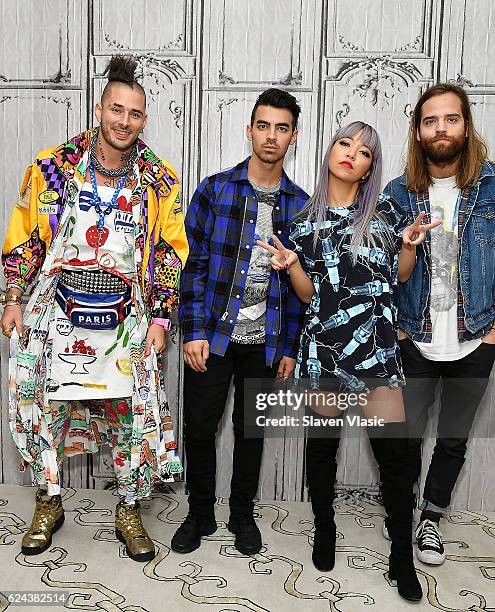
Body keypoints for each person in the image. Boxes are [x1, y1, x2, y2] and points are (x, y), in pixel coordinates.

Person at [0, 56, 188, 562]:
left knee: (133, 414)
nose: (123, 121)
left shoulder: (161, 181)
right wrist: (14, 297)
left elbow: (170, 250)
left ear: (144, 119)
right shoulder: (51, 166)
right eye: (115, 109)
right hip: (56, 310)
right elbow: (26, 237)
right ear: (99, 107)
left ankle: (128, 507)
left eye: (134, 113)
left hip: (126, 313)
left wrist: (161, 316)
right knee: (42, 407)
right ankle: (49, 500)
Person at [258, 121, 441, 602]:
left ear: (368, 169)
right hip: (324, 352)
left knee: (395, 460)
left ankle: (402, 555)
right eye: (345, 143)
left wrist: (408, 247)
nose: (351, 154)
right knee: (322, 449)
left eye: (363, 152)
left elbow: (398, 278)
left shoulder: (383, 218)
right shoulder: (299, 223)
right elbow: (308, 294)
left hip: (378, 354)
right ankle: (324, 528)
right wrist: (293, 264)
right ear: (330, 152)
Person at [172, 88, 308, 556]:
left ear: (293, 136)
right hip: (214, 335)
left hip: (266, 342)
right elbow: (190, 266)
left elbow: (299, 288)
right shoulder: (215, 190)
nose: (272, 136)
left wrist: (289, 346)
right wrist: (192, 332)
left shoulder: (301, 206)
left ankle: (241, 514)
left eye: (282, 128)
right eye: (264, 126)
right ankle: (201, 511)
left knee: (252, 432)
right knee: (199, 428)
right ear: (250, 130)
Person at [383, 83, 495, 565]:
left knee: (453, 439)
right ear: (418, 131)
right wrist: (407, 247)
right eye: (430, 121)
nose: (440, 128)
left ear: (465, 126)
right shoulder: (397, 193)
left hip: (477, 339)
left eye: (450, 119)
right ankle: (401, 517)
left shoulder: (491, 187)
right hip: (415, 338)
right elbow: (390, 273)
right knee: (403, 437)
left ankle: (431, 518)